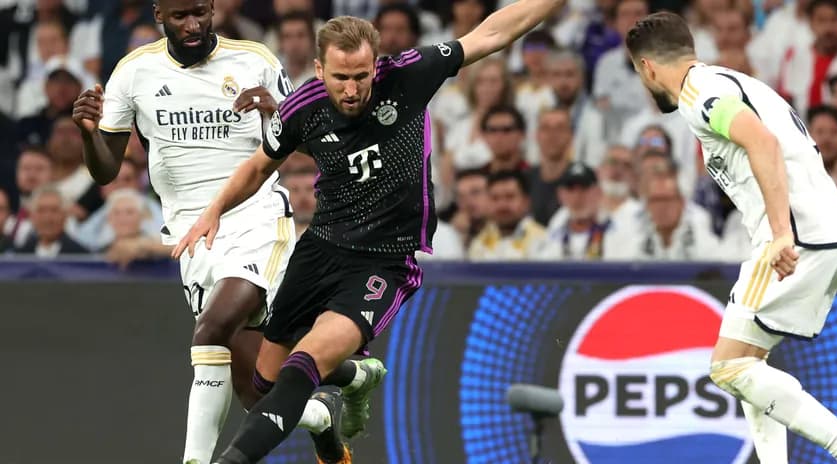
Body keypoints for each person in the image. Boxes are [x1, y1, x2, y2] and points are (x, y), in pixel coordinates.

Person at [172, 2, 567, 462]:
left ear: (376, 64)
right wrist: (214, 209)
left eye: (362, 75)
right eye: (341, 77)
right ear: (320, 69)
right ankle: (355, 378)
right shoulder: (305, 106)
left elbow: (492, 34)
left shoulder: (409, 76)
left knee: (302, 368)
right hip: (320, 249)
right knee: (263, 384)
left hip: (384, 260)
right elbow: (260, 165)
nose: (353, 88)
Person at [70, 1, 382, 463]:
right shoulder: (134, 73)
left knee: (210, 330)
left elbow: (316, 138)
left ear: (214, 7)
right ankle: (337, 396)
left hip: (256, 220)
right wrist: (88, 133)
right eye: (180, 16)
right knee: (259, 395)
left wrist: (277, 111)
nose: (193, 26)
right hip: (193, 234)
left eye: (200, 12)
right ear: (159, 14)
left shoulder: (255, 59)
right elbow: (105, 170)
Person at [627, 11, 837, 464]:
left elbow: (762, 142)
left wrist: (781, 233)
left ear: (647, 68)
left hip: (798, 236)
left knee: (728, 365)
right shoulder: (730, 80)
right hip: (828, 231)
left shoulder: (700, 94)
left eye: (638, 74)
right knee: (748, 364)